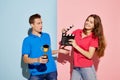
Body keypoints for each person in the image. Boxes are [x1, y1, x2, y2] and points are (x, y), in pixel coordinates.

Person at [22, 13, 68, 80]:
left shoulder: (47, 36)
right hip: (36, 73)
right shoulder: (27, 40)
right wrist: (37, 60)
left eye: (41, 23)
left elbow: (47, 51)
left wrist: (59, 51)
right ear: (32, 25)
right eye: (38, 23)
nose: (41, 25)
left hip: (51, 70)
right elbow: (25, 59)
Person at [62, 14, 106, 80]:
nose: (87, 23)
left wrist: (76, 46)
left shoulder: (94, 38)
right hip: (76, 67)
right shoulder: (77, 32)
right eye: (87, 20)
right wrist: (64, 34)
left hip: (86, 68)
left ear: (95, 26)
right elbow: (64, 43)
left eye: (91, 22)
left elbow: (89, 55)